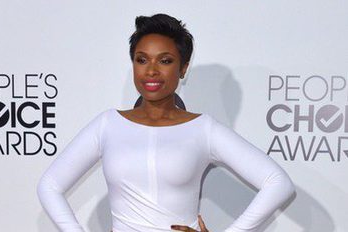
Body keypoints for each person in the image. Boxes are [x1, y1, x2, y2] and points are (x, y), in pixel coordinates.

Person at [36, 14, 294, 232]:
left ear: (183, 68)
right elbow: (49, 186)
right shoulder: (108, 124)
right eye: (142, 59)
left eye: (165, 60)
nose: (151, 70)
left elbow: (277, 183)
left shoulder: (203, 129)